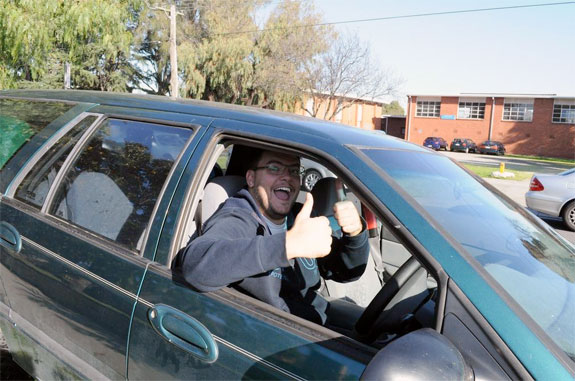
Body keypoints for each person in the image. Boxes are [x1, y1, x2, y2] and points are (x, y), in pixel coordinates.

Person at [173, 148, 369, 326]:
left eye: (293, 171)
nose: (287, 178)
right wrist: (288, 245)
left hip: (315, 319)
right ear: (251, 178)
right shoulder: (238, 217)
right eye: (274, 168)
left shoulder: (299, 218)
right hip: (279, 337)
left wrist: (355, 234)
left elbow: (347, 273)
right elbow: (195, 265)